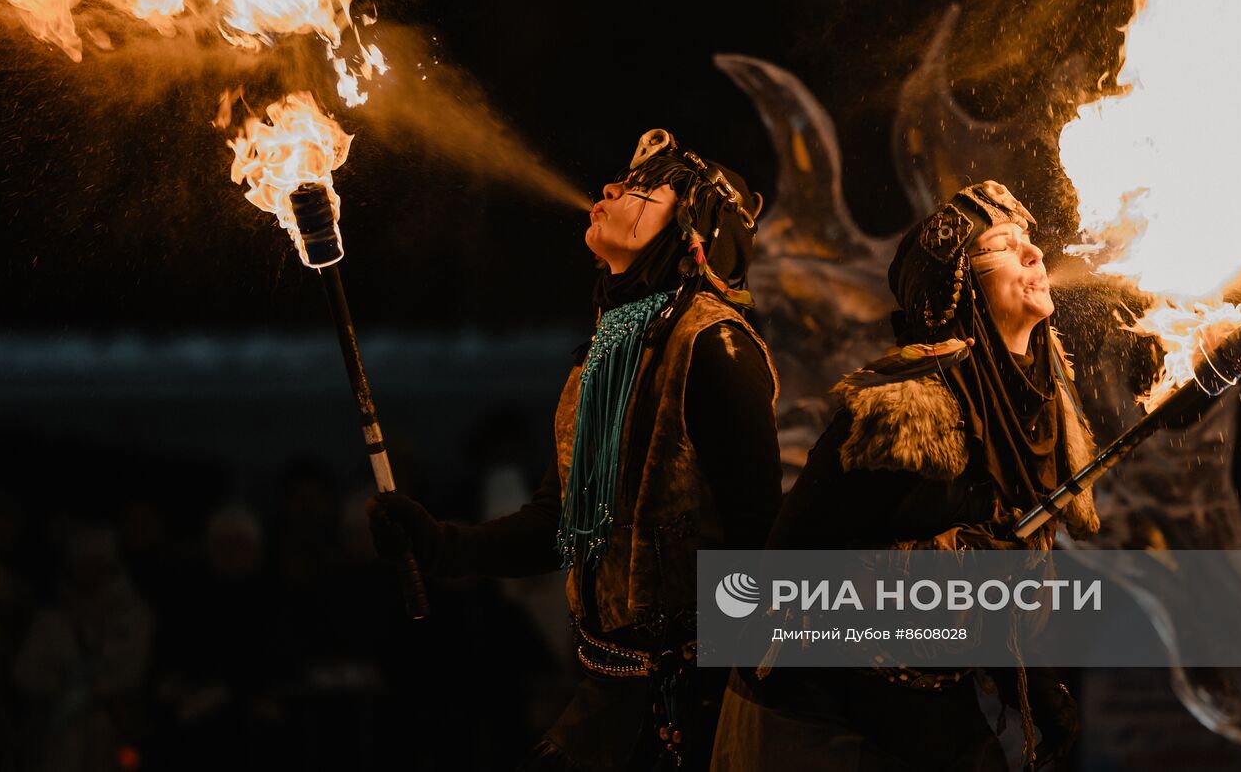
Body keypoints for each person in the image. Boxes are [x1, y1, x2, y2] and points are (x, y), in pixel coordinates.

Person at [368, 129, 783, 771]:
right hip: (612, 698)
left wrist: (716, 709)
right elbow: (556, 525)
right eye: (623, 179)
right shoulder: (608, 350)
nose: (612, 188)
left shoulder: (714, 348)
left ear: (695, 227)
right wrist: (439, 543)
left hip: (697, 712)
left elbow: (762, 545)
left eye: (645, 187)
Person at [712, 181, 1099, 771]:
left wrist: (1036, 686)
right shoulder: (897, 415)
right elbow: (776, 580)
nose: (1034, 256)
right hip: (818, 716)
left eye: (1030, 242)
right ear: (953, 288)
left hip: (931, 707)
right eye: (1004, 244)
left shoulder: (1042, 417)